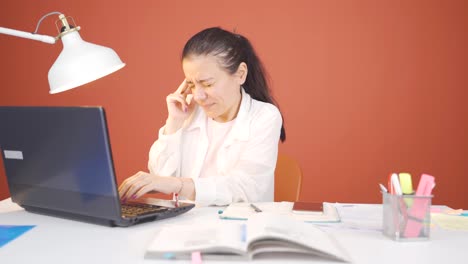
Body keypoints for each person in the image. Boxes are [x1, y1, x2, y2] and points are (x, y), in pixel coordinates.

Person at [119, 27, 286, 206]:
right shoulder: (188, 110)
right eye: (191, 84)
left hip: (240, 228)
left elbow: (246, 188)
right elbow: (161, 175)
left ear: (240, 74)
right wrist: (174, 122)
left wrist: (179, 185)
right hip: (188, 226)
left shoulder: (264, 116)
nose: (198, 96)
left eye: (207, 84)